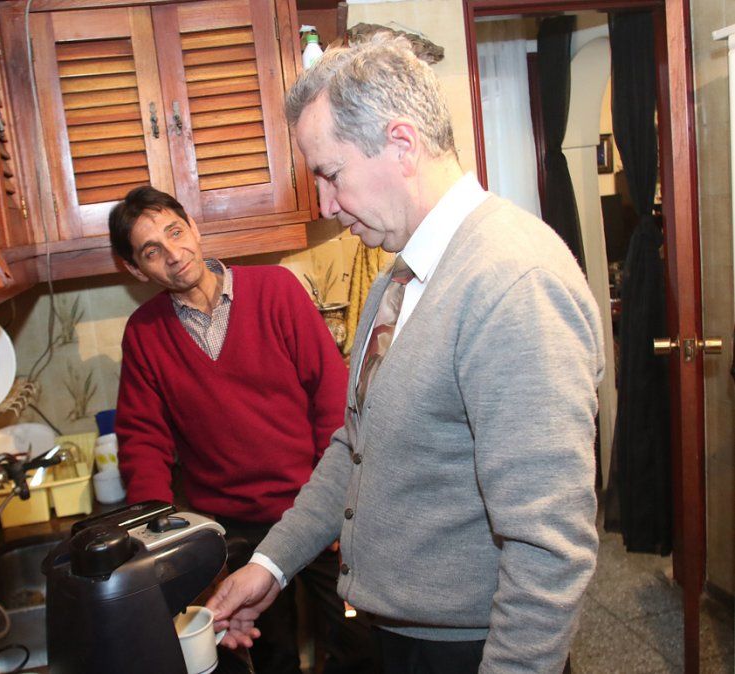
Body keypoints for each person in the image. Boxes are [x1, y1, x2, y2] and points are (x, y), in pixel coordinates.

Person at [206, 34, 605, 674]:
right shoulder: (400, 277)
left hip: (475, 651)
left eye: (331, 175)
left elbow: (549, 546)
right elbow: (356, 445)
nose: (327, 206)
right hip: (401, 637)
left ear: (401, 143)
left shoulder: (513, 282)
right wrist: (272, 563)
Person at [108, 186, 380, 674]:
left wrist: (340, 503)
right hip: (236, 532)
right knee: (269, 655)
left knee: (358, 646)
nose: (174, 254)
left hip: (316, 512)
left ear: (194, 227)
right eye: (152, 251)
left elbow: (330, 399)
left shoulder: (275, 289)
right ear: (136, 269)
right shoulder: (144, 334)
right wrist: (159, 542)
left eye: (175, 232)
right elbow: (143, 443)